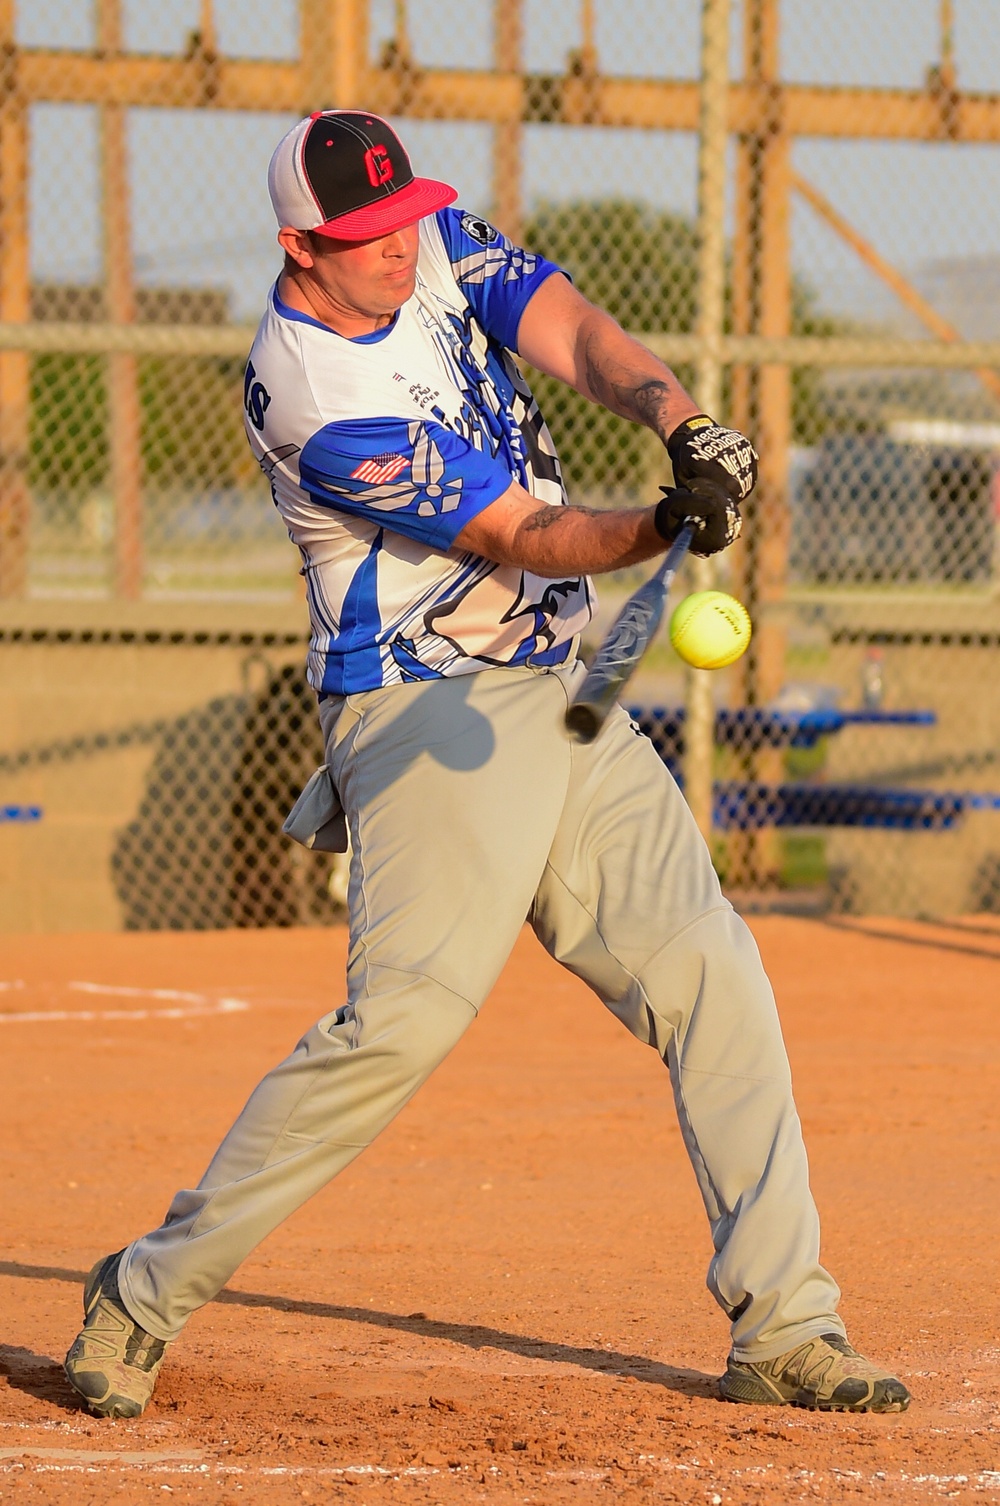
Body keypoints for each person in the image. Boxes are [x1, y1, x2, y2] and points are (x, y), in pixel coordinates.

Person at [64, 110, 909, 1420]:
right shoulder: (311, 395)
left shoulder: (427, 242)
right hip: (424, 711)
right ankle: (142, 1290)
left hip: (561, 689)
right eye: (363, 236)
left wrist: (681, 423)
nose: (401, 247)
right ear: (297, 246)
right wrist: (660, 527)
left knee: (713, 970)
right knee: (399, 1023)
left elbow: (565, 326)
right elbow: (522, 528)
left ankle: (786, 1322)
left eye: (407, 218)